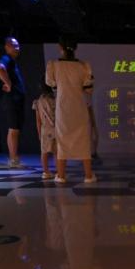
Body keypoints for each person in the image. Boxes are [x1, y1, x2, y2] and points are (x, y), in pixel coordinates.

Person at [46, 36, 96, 183]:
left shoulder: (54, 65)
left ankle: (61, 175)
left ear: (60, 47)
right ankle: (88, 175)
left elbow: (51, 84)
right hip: (79, 108)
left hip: (63, 109)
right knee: (83, 141)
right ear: (75, 48)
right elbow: (89, 89)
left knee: (62, 140)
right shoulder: (83, 66)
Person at [0, 37, 26, 168]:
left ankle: (14, 158)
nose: (17, 48)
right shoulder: (6, 59)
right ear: (7, 47)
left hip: (15, 100)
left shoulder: (12, 61)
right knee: (13, 129)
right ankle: (13, 160)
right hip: (11, 100)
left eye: (18, 45)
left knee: (15, 129)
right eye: (14, 45)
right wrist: (8, 83)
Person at [32, 83, 56, 180]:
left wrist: (39, 133)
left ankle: (46, 172)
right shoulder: (55, 99)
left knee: (44, 151)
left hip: (45, 129)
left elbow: (38, 120)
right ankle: (60, 172)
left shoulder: (38, 102)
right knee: (57, 151)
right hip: (56, 127)